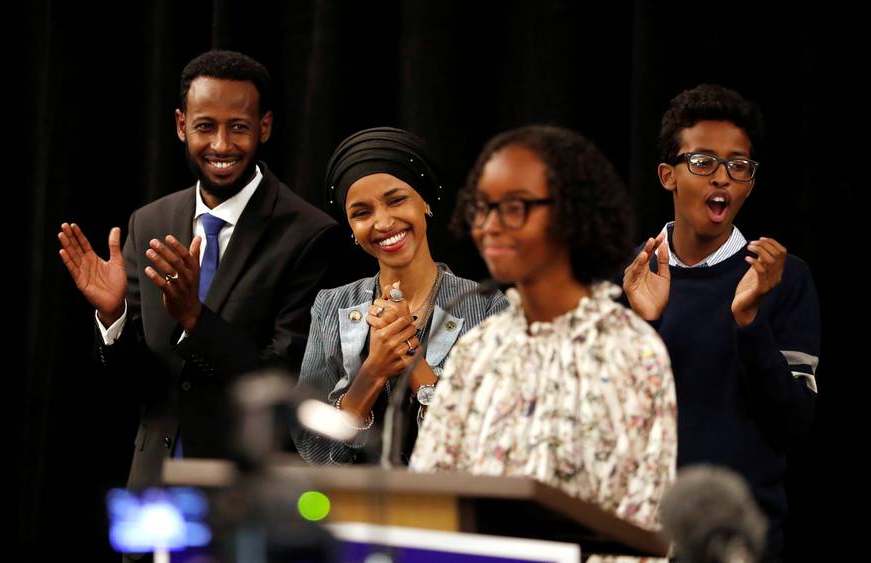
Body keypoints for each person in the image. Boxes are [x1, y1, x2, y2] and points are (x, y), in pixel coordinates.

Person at [57, 50, 340, 492]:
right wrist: (113, 320)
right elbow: (138, 387)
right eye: (205, 126)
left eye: (239, 127)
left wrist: (195, 319)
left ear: (264, 127)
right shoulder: (147, 223)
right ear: (180, 125)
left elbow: (283, 384)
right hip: (154, 493)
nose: (222, 145)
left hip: (245, 498)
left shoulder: (309, 236)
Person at [410, 125, 677, 552]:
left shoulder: (632, 350)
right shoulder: (477, 350)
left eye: (514, 208)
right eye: (483, 208)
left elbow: (643, 522)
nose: (490, 226)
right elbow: (432, 495)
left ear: (572, 214)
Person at [621, 84, 820, 559]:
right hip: (635, 539)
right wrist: (644, 327)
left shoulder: (782, 278)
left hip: (736, 545)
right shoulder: (629, 278)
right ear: (668, 176)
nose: (722, 178)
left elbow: (795, 424)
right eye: (704, 162)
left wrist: (749, 322)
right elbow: (602, 423)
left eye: (738, 166)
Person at [293, 127, 507, 465]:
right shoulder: (331, 307)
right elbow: (311, 449)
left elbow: (493, 443)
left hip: (447, 511)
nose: (383, 222)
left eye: (396, 200)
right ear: (350, 227)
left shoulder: (487, 307)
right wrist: (373, 372)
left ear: (425, 201)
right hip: (353, 511)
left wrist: (414, 363)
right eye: (362, 212)